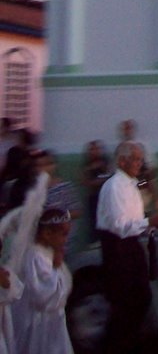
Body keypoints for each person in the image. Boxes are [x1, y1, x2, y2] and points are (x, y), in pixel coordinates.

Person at [96, 141, 158, 354]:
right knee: (124, 304)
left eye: (141, 159)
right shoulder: (113, 187)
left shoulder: (132, 185)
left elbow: (135, 221)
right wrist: (151, 222)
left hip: (131, 248)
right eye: (136, 159)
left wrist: (155, 225)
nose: (140, 163)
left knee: (141, 299)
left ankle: (128, 343)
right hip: (117, 250)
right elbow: (120, 226)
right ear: (122, 161)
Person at [12, 206, 73, 354]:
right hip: (39, 322)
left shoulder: (47, 252)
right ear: (47, 234)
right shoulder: (35, 257)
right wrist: (56, 267)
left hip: (52, 319)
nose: (66, 239)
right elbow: (42, 294)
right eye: (63, 234)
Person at [81, 140, 110, 242]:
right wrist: (90, 169)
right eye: (92, 149)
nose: (94, 151)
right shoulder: (87, 165)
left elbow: (109, 177)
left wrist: (96, 181)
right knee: (94, 224)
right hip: (93, 198)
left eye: (97, 149)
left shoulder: (106, 162)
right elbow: (84, 181)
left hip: (107, 198)